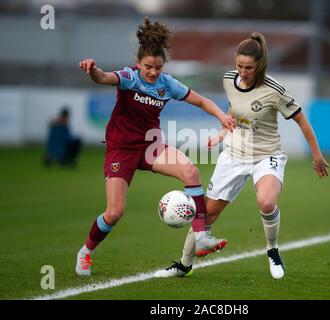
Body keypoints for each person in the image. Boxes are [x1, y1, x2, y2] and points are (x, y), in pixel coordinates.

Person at [156, 32, 329, 280]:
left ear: (259, 65)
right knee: (207, 214)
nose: (243, 72)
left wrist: (317, 155)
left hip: (266, 156)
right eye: (239, 65)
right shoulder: (229, 80)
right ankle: (184, 264)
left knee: (266, 202)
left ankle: (272, 250)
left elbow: (302, 121)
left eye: (248, 67)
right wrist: (221, 133)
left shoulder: (274, 90)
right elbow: (234, 111)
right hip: (234, 155)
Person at [75, 17, 236, 276]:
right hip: (121, 149)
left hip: (151, 146)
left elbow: (203, 102)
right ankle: (86, 252)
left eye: (158, 68)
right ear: (139, 63)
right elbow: (103, 77)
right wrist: (93, 69)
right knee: (114, 213)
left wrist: (222, 117)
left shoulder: (167, 83)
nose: (152, 72)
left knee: (191, 172)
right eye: (148, 67)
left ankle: (202, 235)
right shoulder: (128, 77)